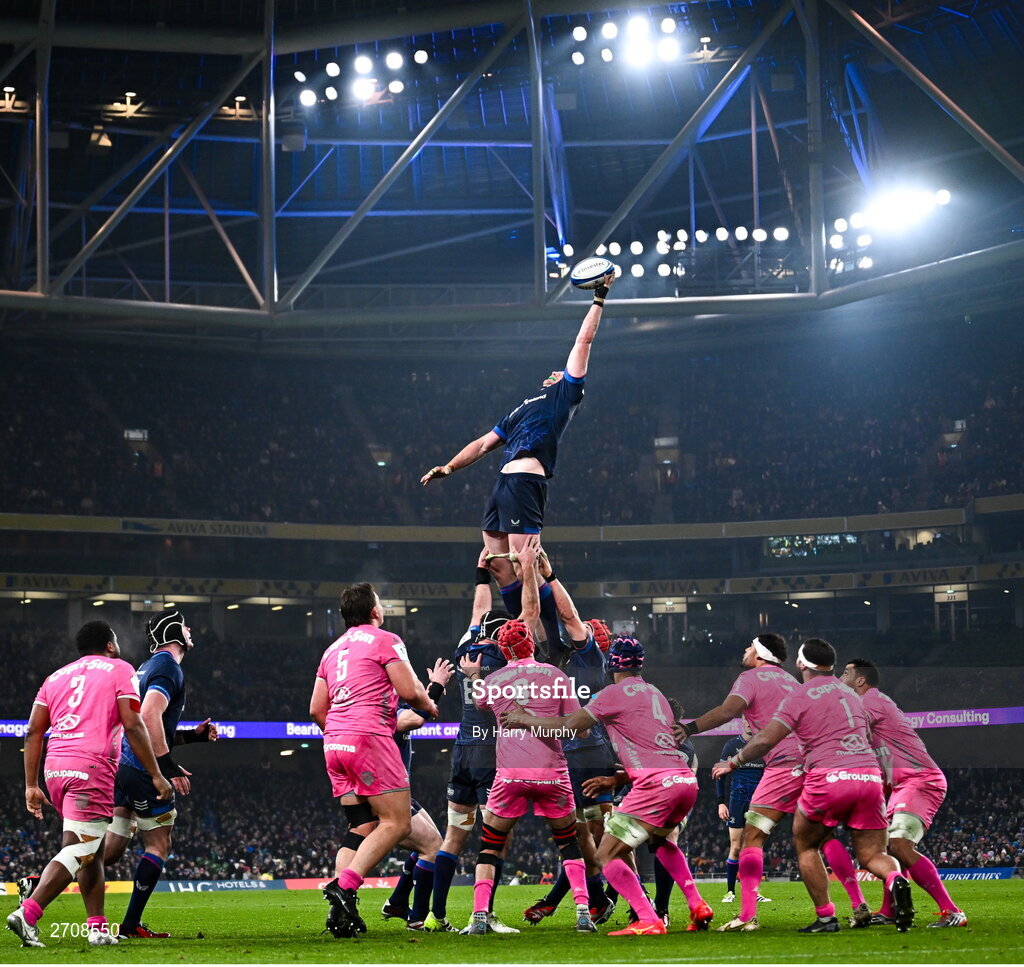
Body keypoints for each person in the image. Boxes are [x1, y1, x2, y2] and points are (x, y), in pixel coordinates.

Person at [420, 270, 615, 636]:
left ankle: (549, 639)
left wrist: (599, 298)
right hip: (504, 481)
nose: (559, 371)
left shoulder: (565, 395)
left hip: (526, 478)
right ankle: (519, 636)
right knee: (496, 564)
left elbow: (583, 342)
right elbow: (481, 445)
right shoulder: (523, 406)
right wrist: (449, 467)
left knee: (527, 563)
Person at [503, 635, 711, 937]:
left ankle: (647, 917)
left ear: (612, 663)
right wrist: (617, 780)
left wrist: (523, 718)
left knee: (605, 857)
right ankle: (697, 904)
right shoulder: (656, 694)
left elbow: (568, 727)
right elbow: (654, 748)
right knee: (663, 843)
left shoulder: (612, 694)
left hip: (656, 784)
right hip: (684, 780)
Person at [713, 638, 915, 934]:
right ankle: (884, 886)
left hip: (811, 772)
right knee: (861, 850)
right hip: (868, 775)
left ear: (800, 664)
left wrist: (734, 761)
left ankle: (798, 916)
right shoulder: (851, 696)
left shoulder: (798, 694)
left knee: (785, 841)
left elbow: (767, 737)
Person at [459, 538, 597, 935]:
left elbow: (481, 702)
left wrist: (475, 675)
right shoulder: (556, 676)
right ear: (532, 644)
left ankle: (480, 916)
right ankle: (584, 914)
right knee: (568, 844)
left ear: (503, 648)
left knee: (490, 844)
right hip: (553, 774)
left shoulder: (496, 679)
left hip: (510, 776)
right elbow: (577, 722)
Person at [7, 621, 171, 949]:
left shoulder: (56, 676)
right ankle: (28, 912)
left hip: (56, 769)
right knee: (83, 849)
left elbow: (33, 731)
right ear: (110, 645)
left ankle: (97, 927)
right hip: (91, 766)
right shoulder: (120, 669)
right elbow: (134, 724)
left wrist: (30, 785)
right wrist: (156, 773)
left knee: (90, 849)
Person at [311, 581, 439, 938]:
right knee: (397, 822)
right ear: (374, 611)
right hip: (368, 739)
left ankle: (340, 909)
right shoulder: (386, 640)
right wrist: (430, 705)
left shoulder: (331, 651)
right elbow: (410, 691)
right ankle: (345, 887)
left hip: (334, 744)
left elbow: (315, 709)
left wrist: (340, 733)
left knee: (361, 828)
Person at [676, 633, 802, 931]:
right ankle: (847, 906)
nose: (745, 650)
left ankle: (746, 915)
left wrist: (690, 727)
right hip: (812, 764)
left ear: (759, 653)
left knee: (751, 839)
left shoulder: (751, 678)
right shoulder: (793, 682)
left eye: (749, 646)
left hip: (783, 765)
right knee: (816, 838)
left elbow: (727, 711)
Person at [103, 609, 216, 939]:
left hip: (124, 763)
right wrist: (166, 769)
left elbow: (153, 726)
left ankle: (41, 883)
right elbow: (150, 717)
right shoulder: (168, 666)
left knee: (109, 852)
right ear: (172, 632)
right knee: (158, 844)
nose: (190, 628)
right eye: (184, 624)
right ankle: (129, 925)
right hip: (141, 767)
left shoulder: (147, 667)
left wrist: (192, 736)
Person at [426, 553, 518, 934]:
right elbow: (525, 612)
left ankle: (436, 915)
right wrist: (523, 572)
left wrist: (481, 571)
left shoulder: (468, 646)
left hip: (462, 751)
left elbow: (479, 608)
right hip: (490, 754)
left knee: (453, 836)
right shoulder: (505, 654)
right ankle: (485, 913)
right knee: (496, 837)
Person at [523, 556, 616, 927]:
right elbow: (532, 620)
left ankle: (584, 899)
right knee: (578, 838)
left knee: (597, 837)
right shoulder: (551, 664)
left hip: (592, 758)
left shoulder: (590, 661)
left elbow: (568, 618)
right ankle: (594, 898)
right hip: (566, 761)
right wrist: (528, 573)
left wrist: (548, 574)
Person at [840, 657, 966, 928]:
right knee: (890, 848)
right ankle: (889, 911)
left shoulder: (870, 701)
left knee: (899, 845)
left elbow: (844, 731)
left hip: (920, 780)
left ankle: (952, 911)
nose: (841, 677)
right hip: (900, 785)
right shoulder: (870, 708)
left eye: (845, 673)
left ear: (860, 680)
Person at [374, 660, 454, 931]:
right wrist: (438, 687)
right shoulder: (382, 711)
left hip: (396, 792)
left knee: (434, 844)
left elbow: (418, 706)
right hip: (383, 794)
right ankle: (417, 919)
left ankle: (398, 902)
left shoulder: (394, 703)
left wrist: (432, 688)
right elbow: (417, 718)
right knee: (432, 847)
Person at [715, 726, 767, 904]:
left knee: (755, 847)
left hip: (759, 801)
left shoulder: (764, 744)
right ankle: (730, 892)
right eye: (745, 719)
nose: (748, 723)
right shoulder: (731, 745)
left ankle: (754, 891)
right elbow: (719, 775)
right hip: (737, 800)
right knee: (736, 846)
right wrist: (720, 802)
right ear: (743, 721)